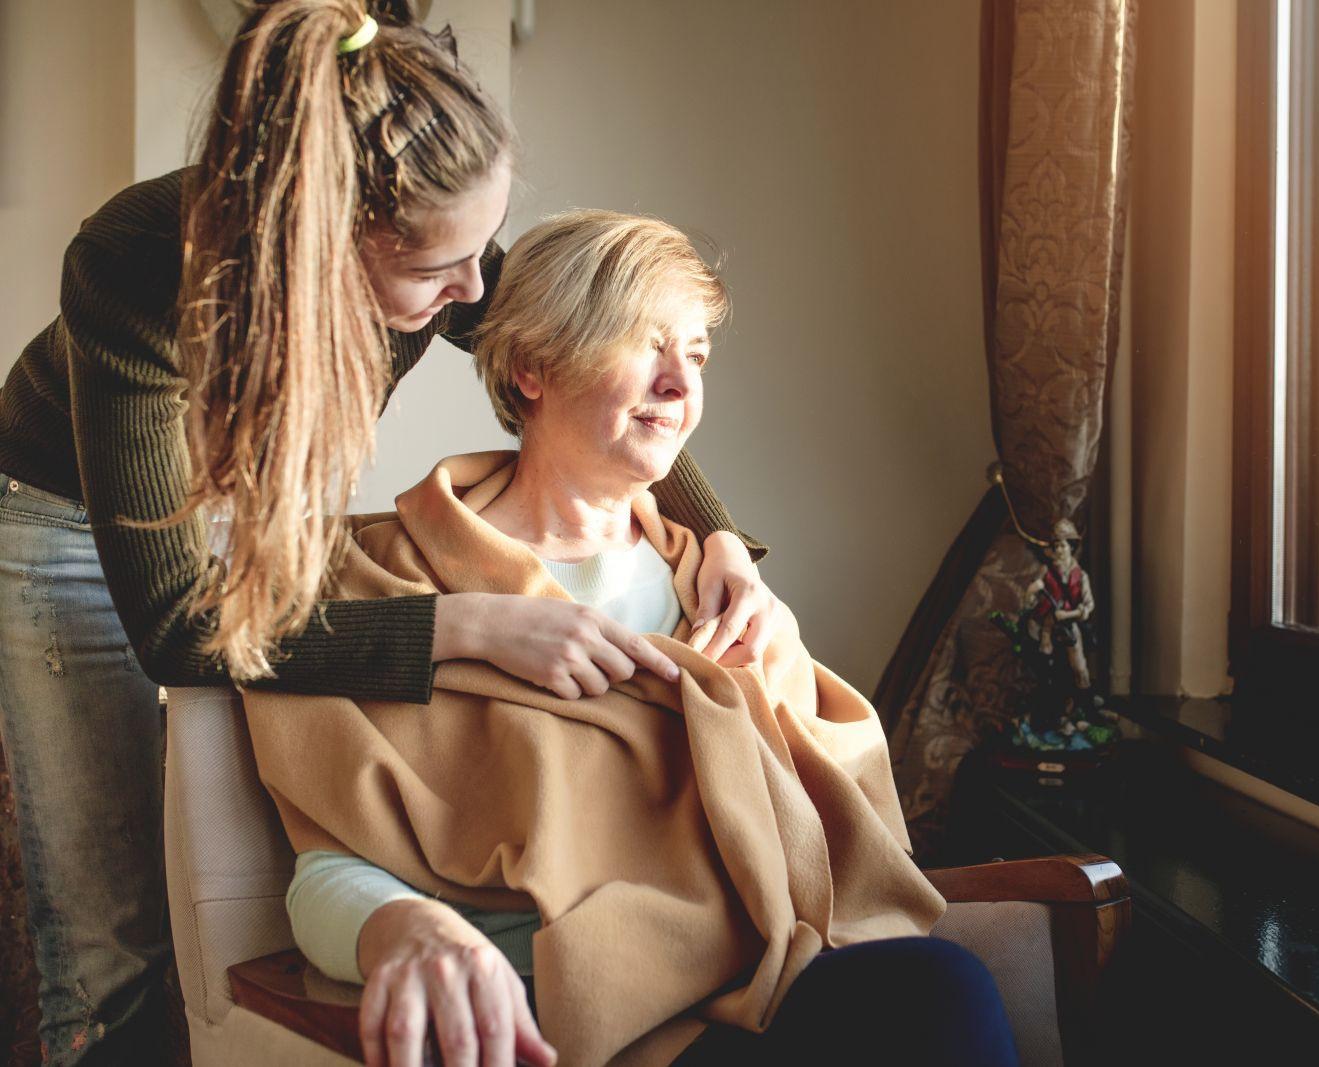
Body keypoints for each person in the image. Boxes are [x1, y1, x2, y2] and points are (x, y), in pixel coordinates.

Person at [0, 4, 777, 1063]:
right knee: (118, 942)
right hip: (67, 524)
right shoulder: (133, 271)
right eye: (436, 275)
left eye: (479, 251)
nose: (471, 295)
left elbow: (565, 342)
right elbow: (182, 628)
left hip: (253, 504)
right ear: (319, 244)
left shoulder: (433, 232)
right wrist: (460, 625)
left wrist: (716, 528)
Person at [256, 210, 1020, 1067]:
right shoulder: (388, 585)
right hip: (562, 1015)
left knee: (941, 988)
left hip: (760, 982)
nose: (680, 385)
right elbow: (326, 869)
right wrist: (402, 925)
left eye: (694, 354)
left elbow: (833, 839)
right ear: (533, 367)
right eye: (643, 343)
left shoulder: (722, 593)